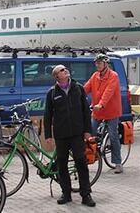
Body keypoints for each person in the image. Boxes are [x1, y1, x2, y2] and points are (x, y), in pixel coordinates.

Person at [44, 64, 95, 207]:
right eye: (61, 70)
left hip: (77, 133)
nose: (65, 70)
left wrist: (87, 130)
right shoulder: (52, 93)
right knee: (62, 165)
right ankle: (66, 193)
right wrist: (48, 135)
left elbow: (86, 111)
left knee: (81, 163)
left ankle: (86, 194)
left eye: (65, 69)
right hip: (61, 135)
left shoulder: (78, 88)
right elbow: (48, 115)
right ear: (56, 76)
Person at [84, 53, 123, 174]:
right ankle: (90, 157)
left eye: (99, 63)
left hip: (111, 111)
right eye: (96, 63)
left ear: (106, 64)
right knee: (89, 133)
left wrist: (101, 104)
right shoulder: (95, 76)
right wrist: (77, 95)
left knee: (113, 135)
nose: (97, 65)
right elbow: (86, 88)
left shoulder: (113, 76)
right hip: (97, 112)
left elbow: (108, 92)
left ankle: (118, 163)